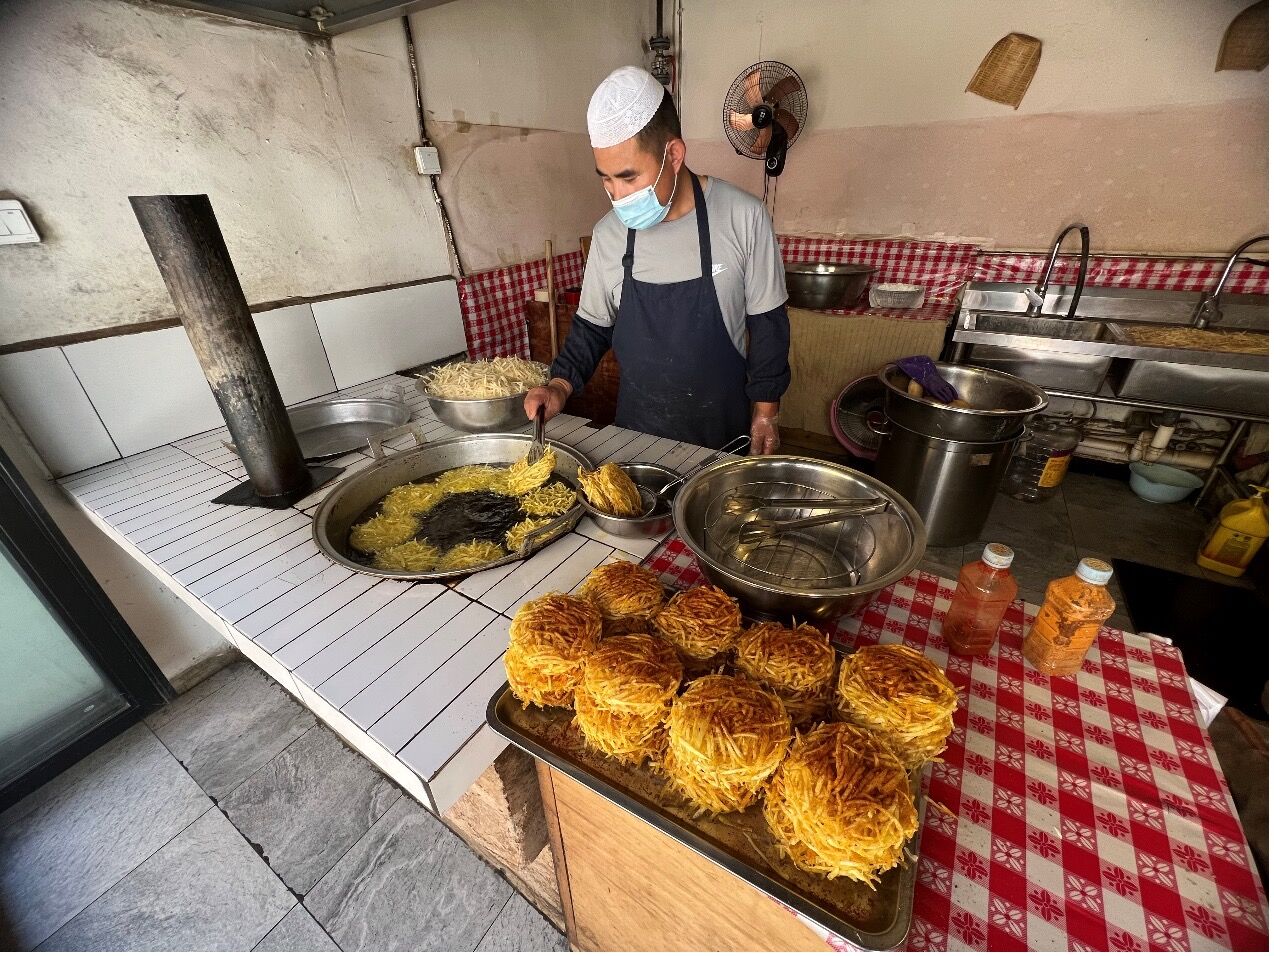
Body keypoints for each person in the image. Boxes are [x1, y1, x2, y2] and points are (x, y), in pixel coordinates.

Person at [524, 66, 791, 454]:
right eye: (606, 179)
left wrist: (766, 413)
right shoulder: (609, 235)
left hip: (721, 438)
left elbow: (768, 327)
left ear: (674, 154)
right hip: (636, 440)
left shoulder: (743, 217)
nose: (616, 195)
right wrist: (559, 385)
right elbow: (592, 327)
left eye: (629, 178)